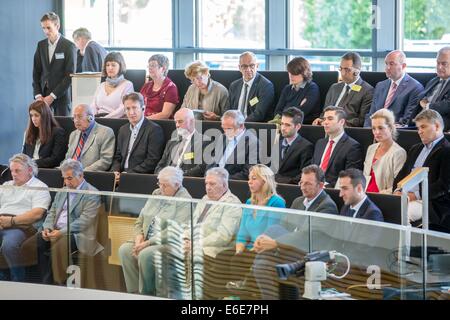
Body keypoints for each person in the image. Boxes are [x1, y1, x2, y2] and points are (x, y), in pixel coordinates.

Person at [252, 165, 337, 299]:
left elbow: (308, 236)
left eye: (308, 183)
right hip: (290, 250)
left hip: (309, 254)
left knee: (262, 263)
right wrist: (264, 238)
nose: (303, 187)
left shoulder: (327, 206)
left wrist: (275, 243)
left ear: (321, 185)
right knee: (262, 262)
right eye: (301, 182)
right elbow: (284, 226)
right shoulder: (298, 201)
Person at [119, 166, 192, 296]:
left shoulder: (186, 200)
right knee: (124, 250)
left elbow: (176, 229)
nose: (161, 188)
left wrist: (147, 243)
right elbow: (140, 220)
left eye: (165, 185)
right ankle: (134, 293)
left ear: (177, 184)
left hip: (167, 243)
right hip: (146, 239)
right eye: (160, 184)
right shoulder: (156, 193)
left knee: (145, 254)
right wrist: (138, 238)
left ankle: (147, 294)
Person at [36, 159, 103, 284]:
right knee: (38, 241)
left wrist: (61, 232)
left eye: (70, 178)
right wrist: (48, 228)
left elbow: (84, 221)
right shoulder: (63, 190)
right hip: (55, 230)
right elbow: (52, 212)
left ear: (81, 175)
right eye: (64, 178)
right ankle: (45, 283)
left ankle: (57, 284)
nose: (66, 182)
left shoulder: (92, 193)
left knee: (60, 246)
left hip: (77, 234)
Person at [184, 167, 242, 299]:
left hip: (216, 248)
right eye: (206, 183)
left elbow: (223, 236)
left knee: (193, 254)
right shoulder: (205, 199)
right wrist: (185, 238)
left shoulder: (232, 204)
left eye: (212, 184)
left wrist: (196, 244)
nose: (208, 187)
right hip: (194, 243)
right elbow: (191, 223)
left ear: (224, 185)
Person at [228, 165, 285, 288]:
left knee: (240, 261)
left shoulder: (276, 202)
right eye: (249, 178)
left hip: (265, 249)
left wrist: (248, 253)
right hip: (249, 248)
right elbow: (243, 232)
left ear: (264, 181)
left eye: (254, 178)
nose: (249, 181)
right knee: (227, 257)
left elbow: (270, 233)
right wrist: (239, 251)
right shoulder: (249, 202)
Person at [393, 110, 450, 231]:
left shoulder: (447, 150)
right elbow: (402, 175)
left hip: (430, 202)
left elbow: (444, 186)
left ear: (437, 126)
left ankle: (404, 249)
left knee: (399, 213)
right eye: (418, 128)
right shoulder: (415, 149)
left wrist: (416, 195)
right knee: (380, 206)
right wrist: (398, 191)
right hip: (406, 197)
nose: (419, 132)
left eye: (423, 127)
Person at [0, 154, 51, 282]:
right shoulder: (6, 184)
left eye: (17, 170)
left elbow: (37, 214)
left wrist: (11, 221)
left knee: (9, 245)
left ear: (29, 170)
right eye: (12, 170)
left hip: (23, 226)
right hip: (2, 221)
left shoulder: (40, 187)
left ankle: (18, 280)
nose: (13, 174)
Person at [111, 92, 165, 181]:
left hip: (140, 177)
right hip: (120, 176)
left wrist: (128, 175)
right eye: (127, 109)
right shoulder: (123, 130)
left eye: (134, 108)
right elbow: (118, 156)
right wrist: (115, 172)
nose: (131, 112)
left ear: (143, 108)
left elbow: (152, 161)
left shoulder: (154, 130)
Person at [32, 12, 76, 116]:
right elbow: (36, 72)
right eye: (43, 28)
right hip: (42, 98)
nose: (46, 31)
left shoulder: (69, 46)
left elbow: (69, 76)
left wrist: (52, 96)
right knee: (45, 130)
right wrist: (38, 95)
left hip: (61, 98)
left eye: (48, 28)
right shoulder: (41, 45)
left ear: (57, 26)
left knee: (62, 129)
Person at [364, 50, 423, 127]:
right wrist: (366, 132)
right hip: (374, 131)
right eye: (386, 64)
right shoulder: (380, 85)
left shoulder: (415, 87)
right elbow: (371, 114)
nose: (387, 68)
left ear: (403, 66)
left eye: (391, 64)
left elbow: (407, 120)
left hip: (396, 133)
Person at [314, 52, 373, 127]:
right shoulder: (334, 87)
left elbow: (362, 120)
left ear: (357, 71)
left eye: (347, 69)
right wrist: (321, 120)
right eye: (341, 69)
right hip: (326, 128)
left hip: (347, 130)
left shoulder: (367, 91)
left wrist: (338, 124)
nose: (343, 73)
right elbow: (324, 113)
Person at [312, 106, 362, 188]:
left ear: (342, 122)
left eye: (330, 119)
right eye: (324, 119)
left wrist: (325, 186)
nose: (325, 122)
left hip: (333, 190)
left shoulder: (352, 146)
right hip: (314, 187)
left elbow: (349, 177)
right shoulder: (320, 143)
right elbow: (313, 168)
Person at [205, 110, 259, 180]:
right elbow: (212, 161)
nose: (226, 132)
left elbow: (247, 173)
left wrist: (222, 180)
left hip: (233, 183)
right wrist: (208, 175)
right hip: (213, 180)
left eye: (229, 129)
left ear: (241, 126)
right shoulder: (223, 137)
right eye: (223, 128)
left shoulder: (253, 143)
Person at [364, 109, 407, 193]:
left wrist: (380, 195)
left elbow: (399, 186)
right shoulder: (371, 148)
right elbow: (364, 177)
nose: (376, 132)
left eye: (381, 128)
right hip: (364, 195)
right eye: (373, 128)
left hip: (382, 197)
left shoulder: (398, 153)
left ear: (390, 128)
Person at [155, 108, 206, 176]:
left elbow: (201, 168)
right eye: (176, 122)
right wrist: (164, 176)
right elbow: (159, 166)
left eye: (180, 121)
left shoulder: (204, 141)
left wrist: (178, 176)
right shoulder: (171, 143)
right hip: (166, 181)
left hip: (187, 180)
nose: (177, 125)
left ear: (192, 121)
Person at [65, 104, 115, 171]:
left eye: (79, 117)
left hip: (89, 175)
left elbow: (105, 160)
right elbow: (67, 158)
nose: (76, 120)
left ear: (90, 118)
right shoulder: (73, 134)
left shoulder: (105, 132)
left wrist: (82, 172)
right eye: (74, 117)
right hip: (70, 175)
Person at [228, 52, 275, 122]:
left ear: (257, 66)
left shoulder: (265, 86)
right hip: (234, 125)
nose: (248, 69)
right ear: (239, 68)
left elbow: (259, 114)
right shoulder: (234, 85)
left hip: (254, 126)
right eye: (244, 66)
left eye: (252, 65)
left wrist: (241, 124)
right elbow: (230, 109)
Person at [272, 57, 320, 124]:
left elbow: (301, 112)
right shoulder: (287, 88)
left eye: (295, 73)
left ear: (304, 73)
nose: (291, 76)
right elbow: (278, 111)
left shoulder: (312, 88)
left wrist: (286, 112)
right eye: (290, 73)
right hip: (283, 123)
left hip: (303, 125)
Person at [22, 100, 67, 168]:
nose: (33, 119)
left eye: (36, 115)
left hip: (46, 171)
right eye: (31, 115)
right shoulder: (30, 133)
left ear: (45, 116)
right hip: (29, 170)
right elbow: (24, 155)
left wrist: (32, 163)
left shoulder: (57, 132)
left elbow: (55, 159)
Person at [274, 107, 313, 184]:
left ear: (298, 126)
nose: (283, 128)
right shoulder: (277, 144)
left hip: (292, 189)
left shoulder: (306, 147)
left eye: (287, 125)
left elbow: (304, 174)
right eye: (282, 124)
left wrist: (281, 181)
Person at [91, 52, 134, 118]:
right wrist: (92, 118)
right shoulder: (101, 85)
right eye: (107, 65)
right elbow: (93, 105)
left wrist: (105, 119)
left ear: (120, 66)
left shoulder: (127, 85)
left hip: (115, 120)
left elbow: (123, 109)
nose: (110, 68)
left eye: (113, 65)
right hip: (97, 119)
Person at [418, 47, 450, 132]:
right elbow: (420, 101)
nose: (439, 67)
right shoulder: (433, 81)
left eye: (444, 64)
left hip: (438, 128)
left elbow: (447, 105)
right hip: (418, 123)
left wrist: (427, 106)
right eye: (438, 63)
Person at [140, 54, 179, 119]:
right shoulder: (146, 86)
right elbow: (138, 104)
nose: (150, 68)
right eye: (149, 65)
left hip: (159, 123)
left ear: (163, 68)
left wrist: (143, 120)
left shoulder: (171, 87)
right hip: (142, 121)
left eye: (153, 65)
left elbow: (165, 114)